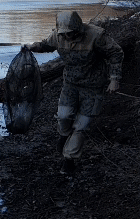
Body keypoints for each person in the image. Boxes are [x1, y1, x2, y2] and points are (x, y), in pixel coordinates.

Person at [27, 11, 124, 174]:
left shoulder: (96, 35)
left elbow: (116, 53)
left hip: (93, 86)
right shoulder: (58, 36)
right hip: (70, 84)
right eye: (64, 34)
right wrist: (34, 46)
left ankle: (69, 159)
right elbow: (46, 45)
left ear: (78, 28)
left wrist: (115, 79)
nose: (68, 37)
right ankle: (64, 135)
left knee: (81, 125)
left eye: (71, 33)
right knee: (64, 116)